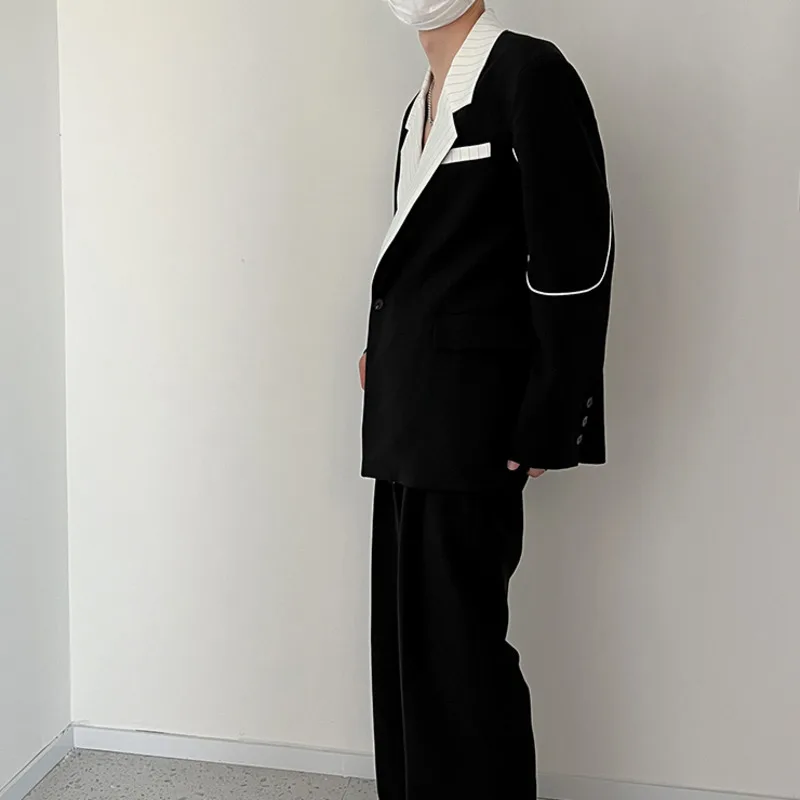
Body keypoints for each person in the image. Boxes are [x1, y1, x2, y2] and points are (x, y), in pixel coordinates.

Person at [359, 1, 614, 797]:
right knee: (406, 643)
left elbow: (574, 259)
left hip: (475, 417)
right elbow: (427, 255)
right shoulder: (419, 105)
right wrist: (382, 351)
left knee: (461, 651)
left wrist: (550, 419)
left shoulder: (531, 75)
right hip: (407, 408)